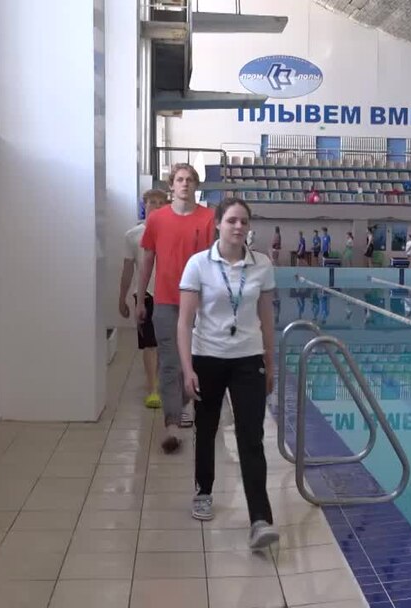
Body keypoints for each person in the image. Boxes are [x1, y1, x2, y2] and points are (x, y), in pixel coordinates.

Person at [176, 198, 280, 549]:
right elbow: (184, 322)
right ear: (218, 223)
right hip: (207, 357)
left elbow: (267, 318)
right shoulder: (199, 264)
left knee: (252, 437)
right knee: (207, 430)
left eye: (244, 221)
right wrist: (187, 369)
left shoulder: (261, 265)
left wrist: (270, 362)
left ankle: (260, 518)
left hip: (248, 359)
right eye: (232, 220)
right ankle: (203, 490)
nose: (239, 227)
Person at [138, 163, 216, 453]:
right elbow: (147, 260)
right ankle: (172, 424)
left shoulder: (208, 218)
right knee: (170, 363)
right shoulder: (157, 219)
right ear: (171, 185)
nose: (184, 184)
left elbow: (214, 262)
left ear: (196, 185)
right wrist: (139, 299)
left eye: (190, 179)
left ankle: (183, 404)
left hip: (200, 303)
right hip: (166, 302)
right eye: (180, 179)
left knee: (192, 363)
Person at [120, 189, 169, 409]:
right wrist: (121, 297)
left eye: (160, 203)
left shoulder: (173, 232)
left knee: (165, 344)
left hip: (169, 294)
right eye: (152, 202)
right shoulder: (133, 235)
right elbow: (127, 269)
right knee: (150, 344)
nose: (156, 206)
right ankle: (152, 388)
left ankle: (161, 381)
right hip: (145, 294)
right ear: (144, 205)